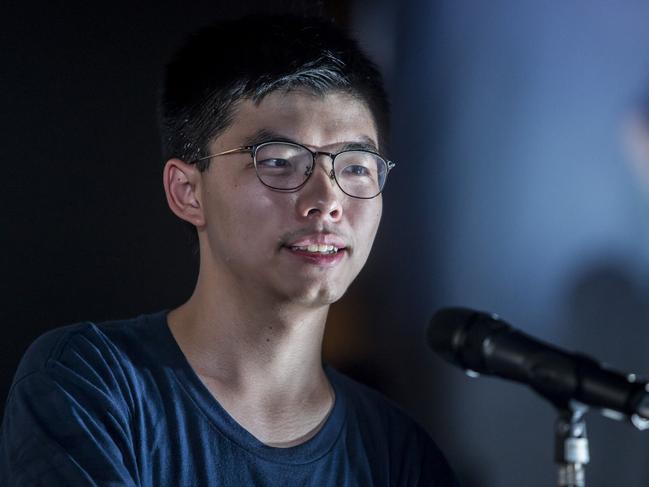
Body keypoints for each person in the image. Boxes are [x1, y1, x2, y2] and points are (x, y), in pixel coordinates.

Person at [0, 14, 459, 486]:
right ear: (187, 192)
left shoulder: (397, 453)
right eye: (279, 162)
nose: (327, 201)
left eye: (357, 167)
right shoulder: (92, 384)